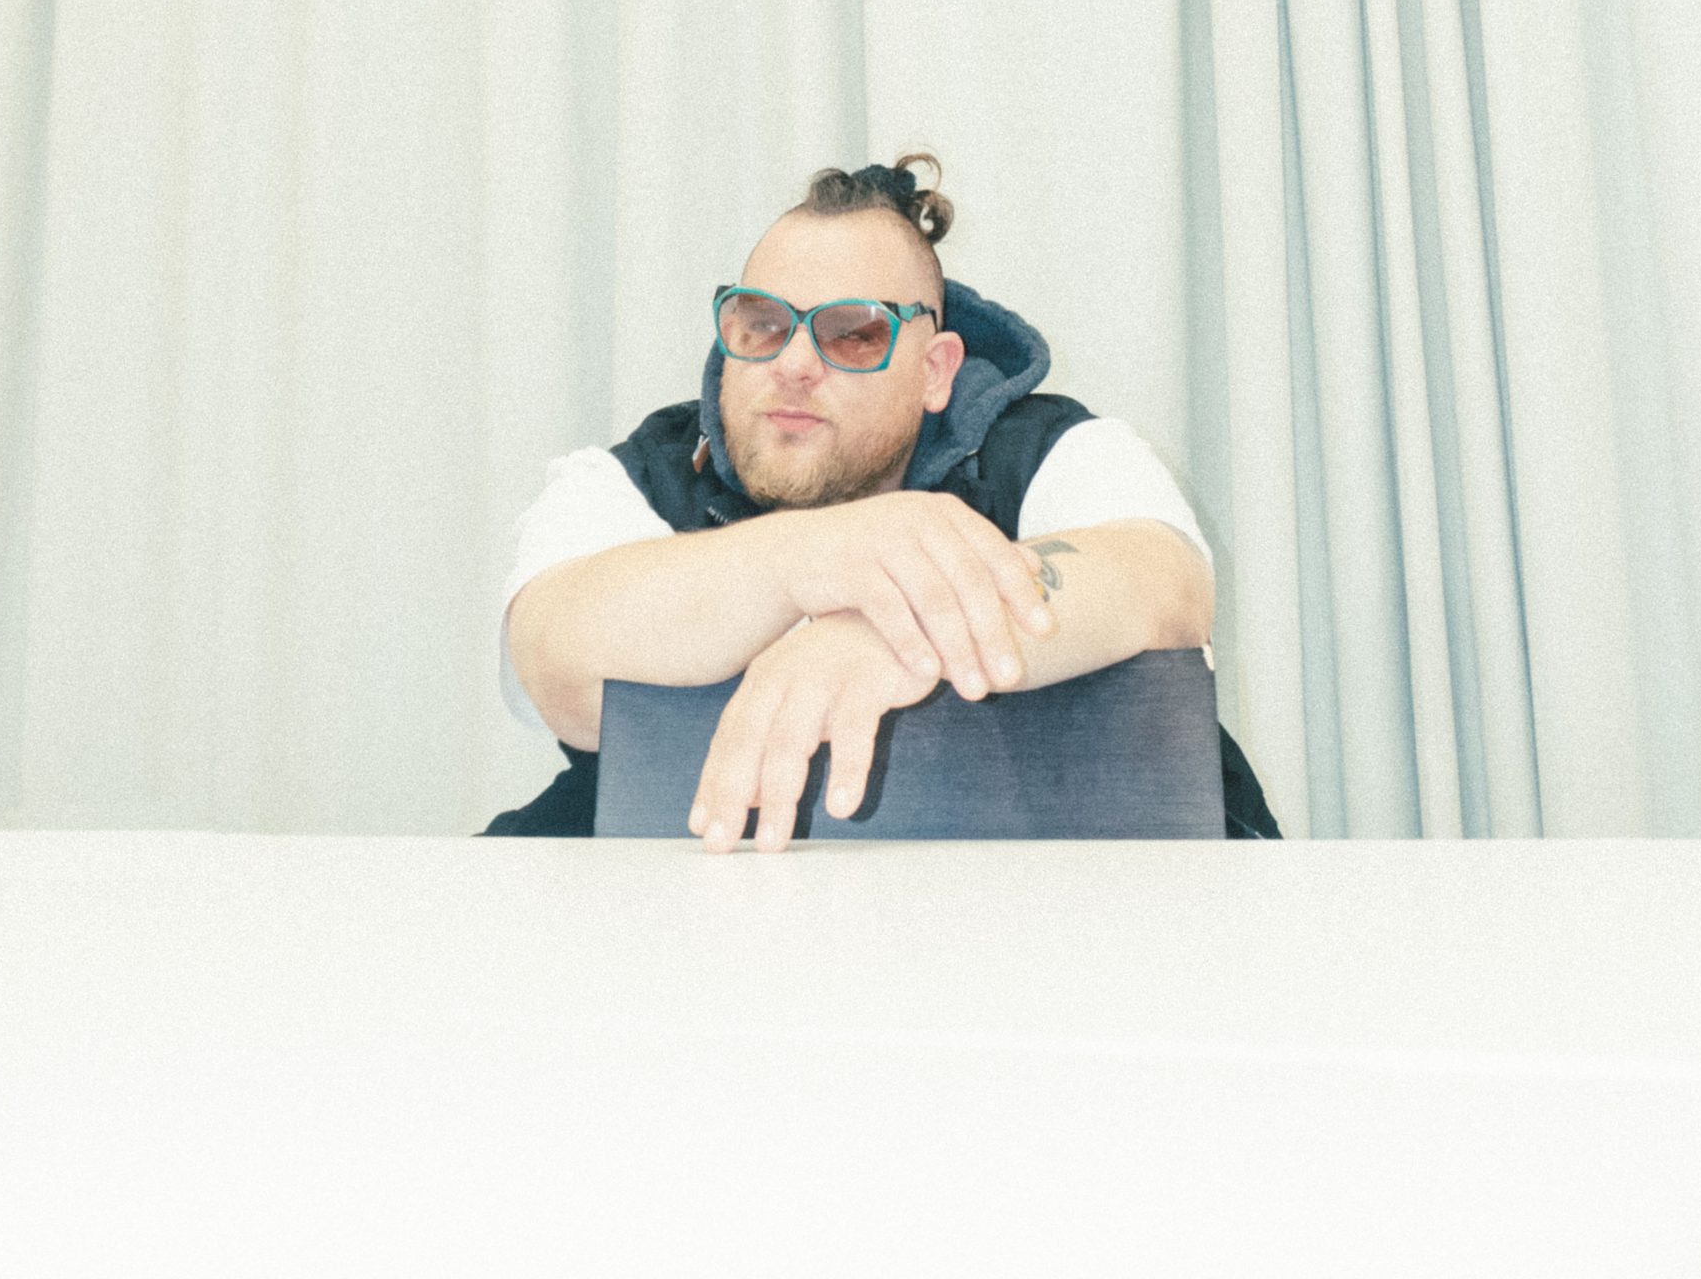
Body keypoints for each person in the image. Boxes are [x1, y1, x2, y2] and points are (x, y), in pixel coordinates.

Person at [487, 154, 1281, 846]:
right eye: (761, 324)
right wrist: (814, 557)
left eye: (853, 333)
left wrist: (888, 633)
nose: (794, 363)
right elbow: (556, 656)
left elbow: (1164, 587)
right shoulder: (634, 478)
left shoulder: (1049, 451)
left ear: (936, 371)